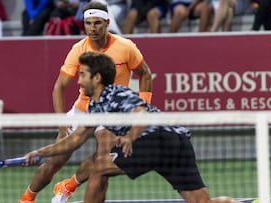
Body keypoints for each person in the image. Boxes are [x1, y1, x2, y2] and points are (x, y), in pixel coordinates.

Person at [24, 52, 239, 203]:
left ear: (96, 78)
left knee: (99, 167)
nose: (78, 82)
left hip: (154, 138)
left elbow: (142, 115)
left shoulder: (116, 93)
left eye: (82, 75)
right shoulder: (96, 106)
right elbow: (74, 139)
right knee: (201, 202)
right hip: (177, 140)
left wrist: (129, 137)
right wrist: (39, 153)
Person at [18, 1, 153, 203]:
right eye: (88, 23)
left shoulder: (126, 47)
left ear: (107, 22)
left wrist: (143, 106)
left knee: (103, 158)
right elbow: (59, 87)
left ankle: (69, 185)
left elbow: (145, 74)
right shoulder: (78, 49)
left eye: (97, 23)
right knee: (55, 161)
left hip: (111, 113)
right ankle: (27, 198)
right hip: (83, 109)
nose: (92, 28)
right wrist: (62, 123)